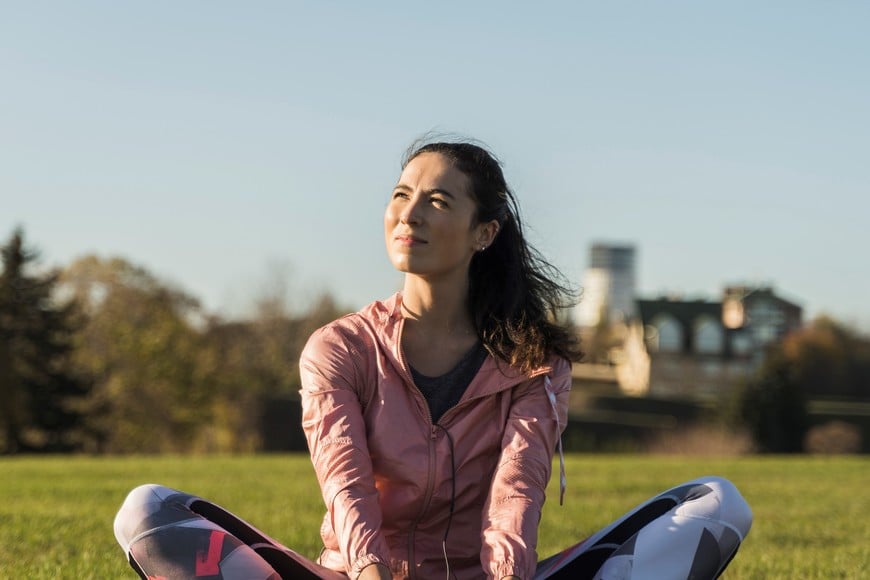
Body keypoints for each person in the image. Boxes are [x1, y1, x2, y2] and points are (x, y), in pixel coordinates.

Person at [114, 138, 752, 580]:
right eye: (401, 194)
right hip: (357, 578)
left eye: (438, 201)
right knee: (147, 510)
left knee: (718, 502)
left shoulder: (534, 362)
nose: (408, 214)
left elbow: (516, 495)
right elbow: (346, 488)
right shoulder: (339, 348)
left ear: (484, 233)